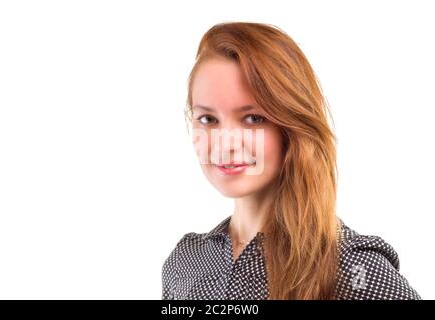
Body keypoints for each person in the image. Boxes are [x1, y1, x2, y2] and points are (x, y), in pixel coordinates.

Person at [162, 22, 421, 300]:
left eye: (253, 118)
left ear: (292, 128)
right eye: (208, 119)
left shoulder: (353, 267)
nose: (225, 143)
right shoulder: (185, 261)